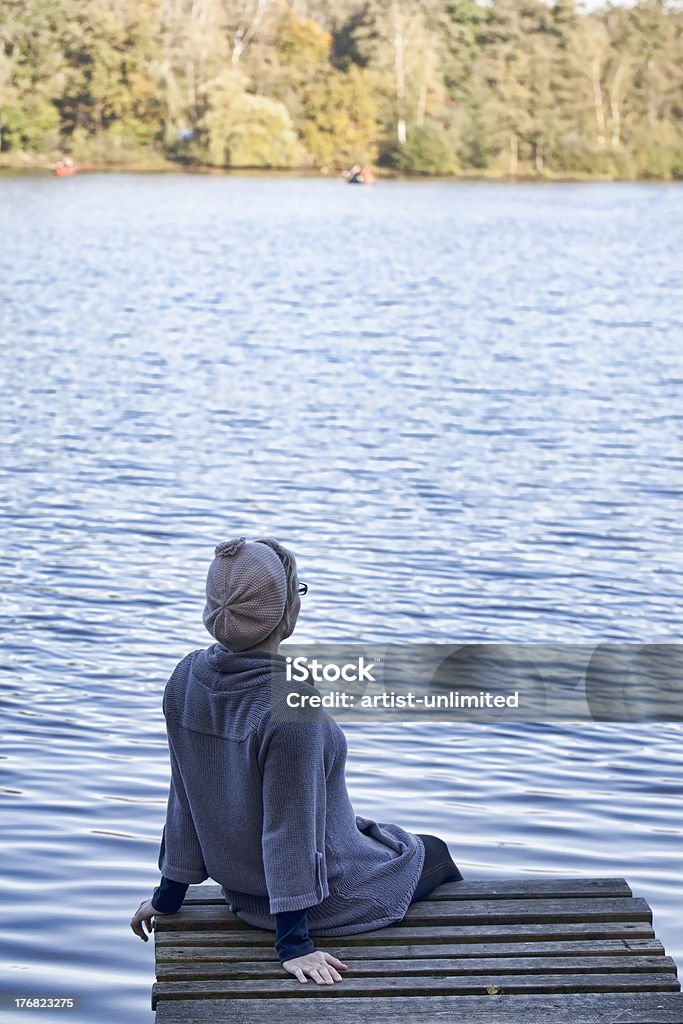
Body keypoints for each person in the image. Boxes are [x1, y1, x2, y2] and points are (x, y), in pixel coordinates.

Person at [130, 537, 463, 984]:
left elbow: (185, 800)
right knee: (433, 850)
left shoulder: (186, 678)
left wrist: (167, 896)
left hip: (244, 893)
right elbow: (289, 830)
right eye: (296, 592)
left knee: (378, 835)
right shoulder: (290, 703)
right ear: (284, 610)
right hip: (317, 903)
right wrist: (294, 945)